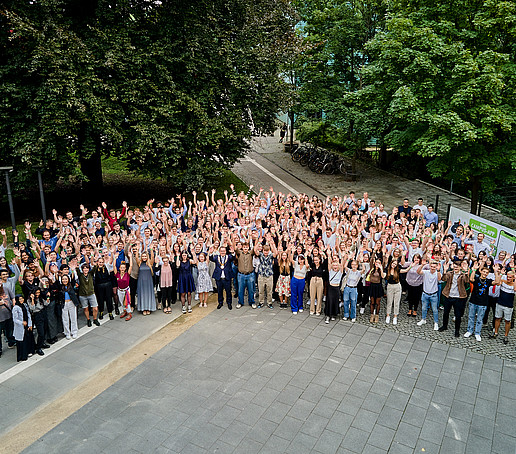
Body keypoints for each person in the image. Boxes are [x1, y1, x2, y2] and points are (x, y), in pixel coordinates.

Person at [465, 262, 500, 341]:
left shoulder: (488, 281)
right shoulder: (477, 279)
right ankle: (469, 331)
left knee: (480, 319)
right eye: (484, 272)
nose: (485, 273)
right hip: (473, 301)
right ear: (481, 271)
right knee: (471, 317)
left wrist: (495, 272)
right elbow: (471, 279)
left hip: (483, 303)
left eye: (486, 272)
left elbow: (497, 282)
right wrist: (474, 269)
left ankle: (477, 333)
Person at [439, 260, 469, 337]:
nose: (456, 268)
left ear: (460, 267)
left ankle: (457, 330)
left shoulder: (462, 275)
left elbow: (467, 281)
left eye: (457, 266)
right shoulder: (450, 273)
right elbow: (444, 279)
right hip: (448, 296)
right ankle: (444, 326)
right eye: (454, 266)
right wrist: (445, 271)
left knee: (458, 315)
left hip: (458, 298)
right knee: (446, 313)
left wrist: (466, 271)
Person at [490, 269, 515, 344]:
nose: (508, 278)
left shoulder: (514, 285)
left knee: (507, 321)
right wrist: (500, 274)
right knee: (497, 318)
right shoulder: (503, 282)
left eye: (510, 277)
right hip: (500, 303)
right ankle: (495, 332)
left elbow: (515, 289)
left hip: (508, 306)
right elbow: (497, 282)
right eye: (507, 277)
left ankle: (506, 335)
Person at [416, 259, 442, 330]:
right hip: (425, 293)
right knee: (424, 308)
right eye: (431, 266)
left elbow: (439, 279)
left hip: (433, 295)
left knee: (435, 310)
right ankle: (423, 319)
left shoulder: (437, 273)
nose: (432, 268)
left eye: (434, 267)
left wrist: (439, 270)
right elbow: (418, 272)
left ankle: (436, 323)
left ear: (436, 267)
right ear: (429, 266)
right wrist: (422, 265)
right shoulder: (426, 272)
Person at [12, 295, 35, 362]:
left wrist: (30, 324)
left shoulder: (25, 305)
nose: (21, 300)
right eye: (20, 299)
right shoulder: (15, 308)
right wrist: (22, 322)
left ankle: (28, 352)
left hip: (26, 325)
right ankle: (21, 356)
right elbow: (15, 319)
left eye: (22, 298)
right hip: (20, 327)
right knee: (21, 342)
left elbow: (28, 315)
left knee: (27, 339)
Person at [210, 246, 233, 310]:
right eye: (221, 251)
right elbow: (211, 259)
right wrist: (211, 253)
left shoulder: (228, 257)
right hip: (219, 277)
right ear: (219, 252)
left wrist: (233, 252)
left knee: (228, 291)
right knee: (219, 291)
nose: (222, 252)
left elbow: (233, 257)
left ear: (226, 252)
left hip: (227, 277)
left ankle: (229, 303)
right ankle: (220, 302)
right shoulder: (217, 257)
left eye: (224, 251)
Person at [234, 241, 256, 309]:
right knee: (240, 290)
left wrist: (258, 239)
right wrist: (231, 237)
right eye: (244, 247)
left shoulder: (251, 253)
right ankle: (240, 302)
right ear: (242, 248)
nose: (245, 248)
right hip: (241, 275)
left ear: (248, 247)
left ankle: (252, 302)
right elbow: (234, 247)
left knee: (251, 290)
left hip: (250, 274)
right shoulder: (239, 253)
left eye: (246, 247)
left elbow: (255, 247)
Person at [59, 274, 80, 339]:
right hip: (64, 303)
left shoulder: (71, 285)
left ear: (68, 279)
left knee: (73, 318)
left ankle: (74, 331)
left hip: (71, 302)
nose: (64, 280)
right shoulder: (60, 287)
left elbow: (73, 279)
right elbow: (56, 282)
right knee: (65, 319)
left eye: (66, 279)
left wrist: (73, 270)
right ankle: (67, 333)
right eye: (63, 279)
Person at [136, 250, 156, 315]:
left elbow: (152, 257)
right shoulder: (139, 263)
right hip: (141, 281)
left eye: (145, 256)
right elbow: (136, 257)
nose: (144, 257)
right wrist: (137, 249)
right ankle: (143, 308)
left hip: (148, 281)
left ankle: (148, 308)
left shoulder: (150, 263)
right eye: (143, 256)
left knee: (148, 294)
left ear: (147, 257)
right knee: (142, 294)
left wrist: (150, 248)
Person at [384, 259, 402, 325]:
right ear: (391, 263)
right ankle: (388, 315)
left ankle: (395, 316)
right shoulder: (387, 270)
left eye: (395, 264)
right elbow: (383, 276)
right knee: (389, 301)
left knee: (396, 302)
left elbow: (405, 270)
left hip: (397, 286)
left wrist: (411, 266)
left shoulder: (397, 270)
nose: (393, 265)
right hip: (390, 286)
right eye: (393, 263)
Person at [0, 283, 15, 356]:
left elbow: (13, 297)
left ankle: (11, 342)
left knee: (9, 330)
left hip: (8, 315)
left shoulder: (6, 289)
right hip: (0, 318)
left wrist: (14, 306)